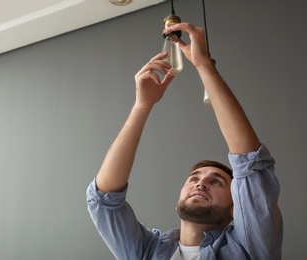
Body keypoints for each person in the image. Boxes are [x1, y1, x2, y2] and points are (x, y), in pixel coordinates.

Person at [86, 22, 282, 260]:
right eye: (194, 178)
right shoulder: (147, 251)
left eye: (217, 182)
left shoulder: (249, 247)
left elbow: (251, 166)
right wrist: (142, 106)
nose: (200, 184)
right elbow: (104, 199)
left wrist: (203, 65)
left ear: (235, 209)